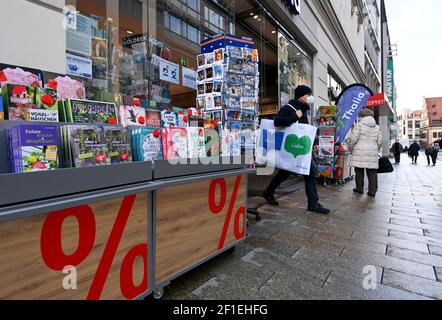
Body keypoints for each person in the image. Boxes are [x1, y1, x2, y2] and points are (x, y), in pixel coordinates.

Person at [263, 85, 331, 215]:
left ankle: (269, 192)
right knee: (307, 172)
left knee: (289, 172)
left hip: (298, 147)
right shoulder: (290, 108)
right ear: (301, 96)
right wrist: (295, 116)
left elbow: (305, 129)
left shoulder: (304, 110)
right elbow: (277, 122)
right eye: (308, 95)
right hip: (290, 147)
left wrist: (314, 142)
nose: (310, 97)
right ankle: (313, 203)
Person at [348, 108, 382, 198]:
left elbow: (353, 139)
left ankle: (359, 189)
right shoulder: (377, 127)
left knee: (359, 170)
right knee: (372, 172)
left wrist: (350, 147)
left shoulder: (358, 125)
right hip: (372, 150)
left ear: (361, 116)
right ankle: (372, 191)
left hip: (359, 150)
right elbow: (379, 142)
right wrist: (375, 148)